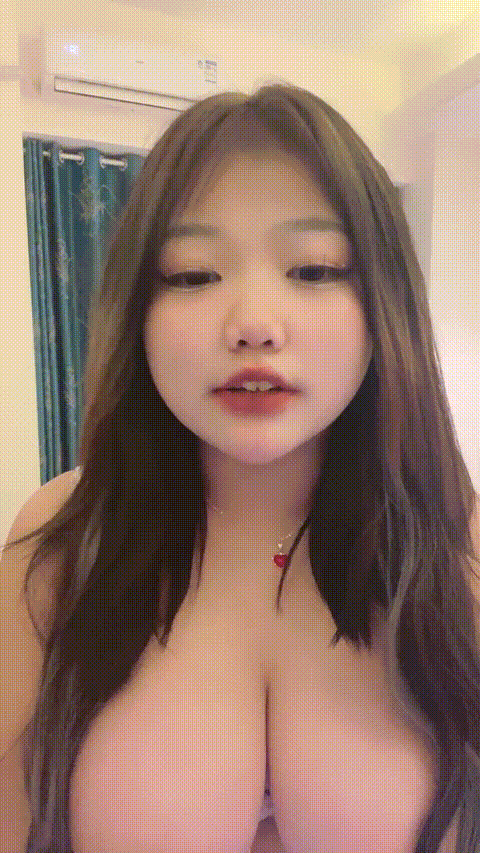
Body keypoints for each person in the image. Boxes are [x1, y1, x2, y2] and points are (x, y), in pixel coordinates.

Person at [1, 83, 479, 853]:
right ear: (136, 311)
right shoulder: (65, 539)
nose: (253, 324)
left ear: (384, 302)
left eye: (314, 269)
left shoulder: (457, 541)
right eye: (193, 274)